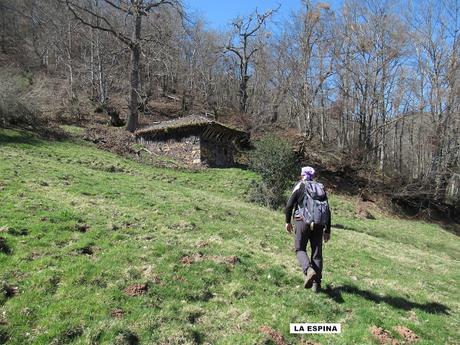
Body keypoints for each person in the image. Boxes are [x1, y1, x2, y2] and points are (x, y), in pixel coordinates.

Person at [285, 166, 331, 292]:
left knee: (300, 249)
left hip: (302, 222)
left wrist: (287, 222)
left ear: (302, 174)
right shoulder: (320, 188)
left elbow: (289, 205)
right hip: (319, 224)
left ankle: (308, 270)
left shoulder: (300, 186)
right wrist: (327, 230)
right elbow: (327, 209)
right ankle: (317, 285)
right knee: (317, 254)